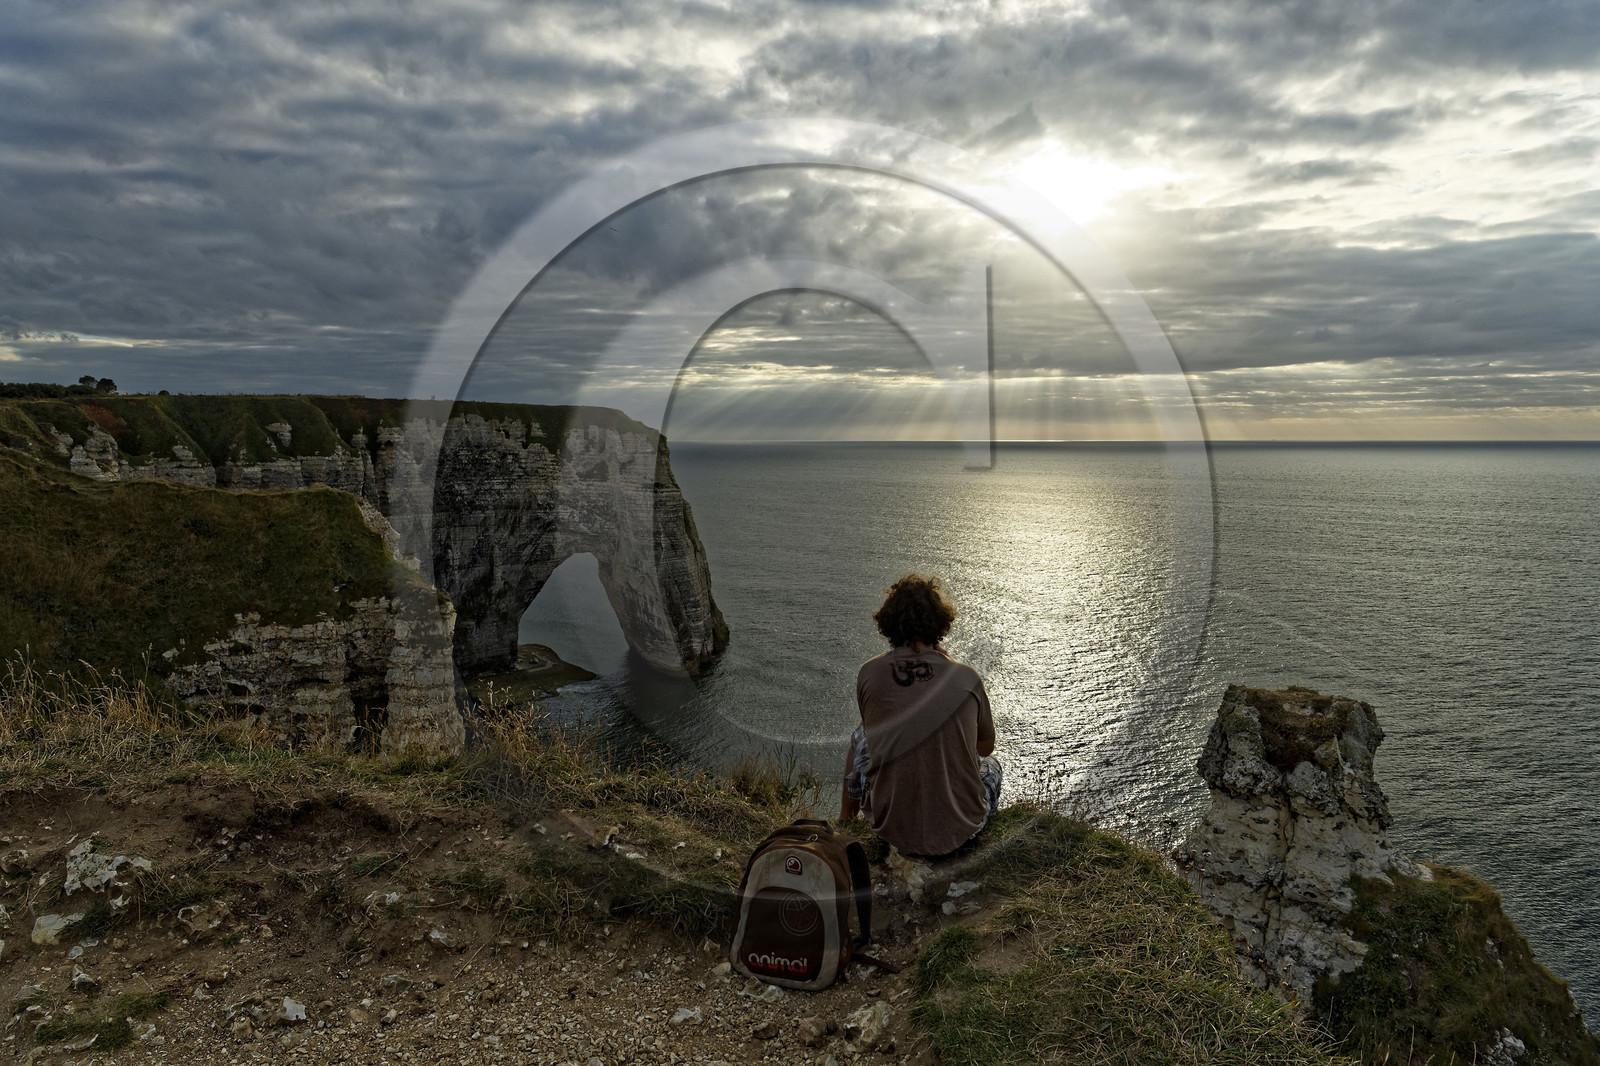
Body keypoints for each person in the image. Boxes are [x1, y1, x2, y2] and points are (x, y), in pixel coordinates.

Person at [839, 573, 1003, 858]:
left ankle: (844, 820)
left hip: (889, 827)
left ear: (888, 622)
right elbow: (984, 748)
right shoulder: (966, 677)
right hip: (961, 830)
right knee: (992, 765)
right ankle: (964, 816)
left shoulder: (869, 673)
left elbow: (876, 730)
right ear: (940, 623)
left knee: (859, 735)